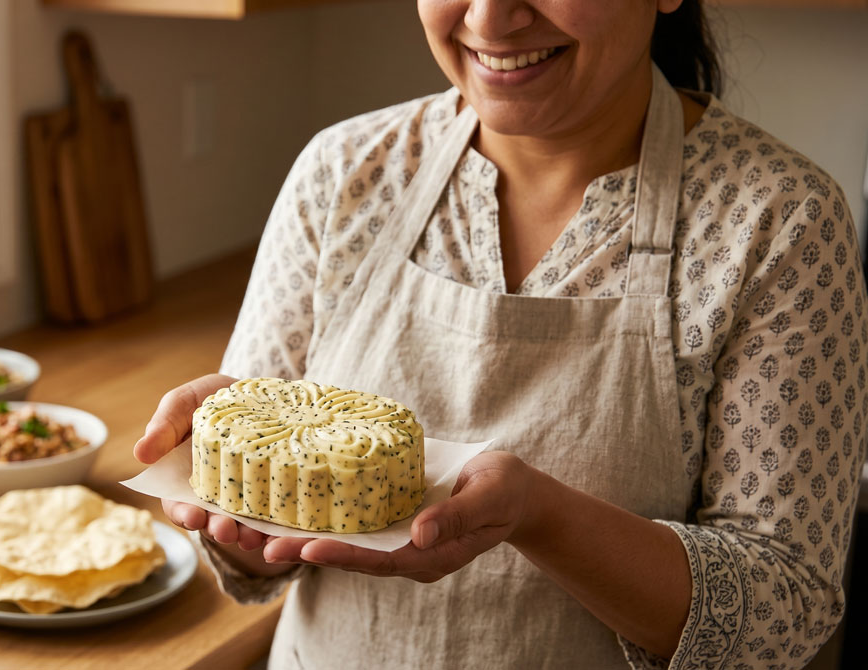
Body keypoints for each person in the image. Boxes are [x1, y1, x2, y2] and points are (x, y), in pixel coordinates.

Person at [133, 1, 867, 667]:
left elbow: (784, 614)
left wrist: (539, 518)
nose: (488, 18)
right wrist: (237, 503)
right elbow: (260, 556)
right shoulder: (344, 174)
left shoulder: (780, 224)